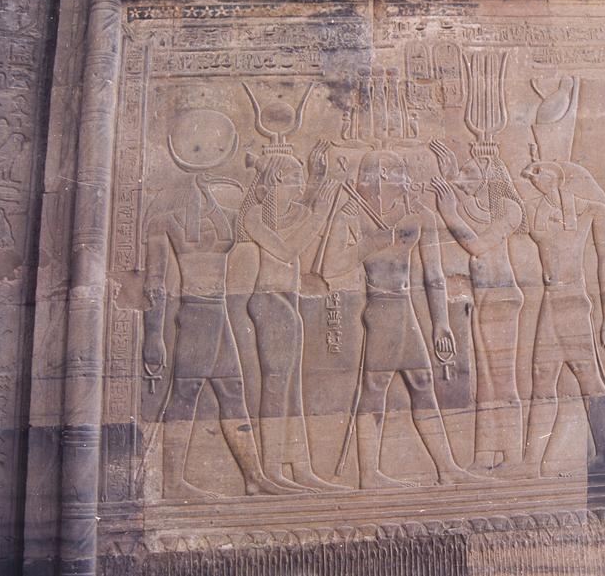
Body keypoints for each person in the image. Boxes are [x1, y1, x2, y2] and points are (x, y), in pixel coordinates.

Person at [142, 109, 301, 497]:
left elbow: (255, 220)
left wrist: (263, 175)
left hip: (214, 314)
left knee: (232, 393)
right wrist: (153, 337)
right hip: (197, 314)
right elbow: (155, 284)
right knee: (186, 393)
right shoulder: (167, 215)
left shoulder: (222, 206)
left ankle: (253, 477)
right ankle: (174, 483)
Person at [321, 149, 484, 488]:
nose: (406, 180)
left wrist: (441, 322)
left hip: (405, 308)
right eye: (398, 173)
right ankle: (370, 474)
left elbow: (434, 275)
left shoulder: (419, 214)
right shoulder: (353, 212)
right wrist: (371, 243)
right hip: (381, 310)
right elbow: (330, 266)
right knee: (376, 386)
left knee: (421, 382)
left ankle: (446, 469)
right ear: (380, 176)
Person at [238, 140, 349, 492]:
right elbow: (286, 250)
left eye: (301, 179)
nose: (300, 186)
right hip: (268, 302)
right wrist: (319, 213)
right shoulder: (255, 215)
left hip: (288, 301)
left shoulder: (297, 213)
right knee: (276, 386)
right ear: (274, 181)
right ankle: (272, 470)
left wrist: (320, 177)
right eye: (293, 179)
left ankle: (300, 468)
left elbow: (305, 211)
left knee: (291, 389)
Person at [517, 158, 605, 475]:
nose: (532, 178)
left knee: (587, 375)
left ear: (557, 176)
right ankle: (531, 464)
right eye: (530, 174)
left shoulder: (592, 210)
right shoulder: (533, 210)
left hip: (574, 301)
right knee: (542, 377)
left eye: (538, 172)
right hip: (550, 302)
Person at [429, 140, 527, 476]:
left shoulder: (510, 210)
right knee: (486, 380)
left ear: (488, 174)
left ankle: (513, 457)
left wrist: (450, 213)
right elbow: (471, 206)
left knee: (503, 380)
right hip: (485, 299)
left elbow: (477, 245)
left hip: (502, 300)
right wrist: (451, 178)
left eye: (469, 171)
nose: (462, 176)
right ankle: (485, 454)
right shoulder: (485, 208)